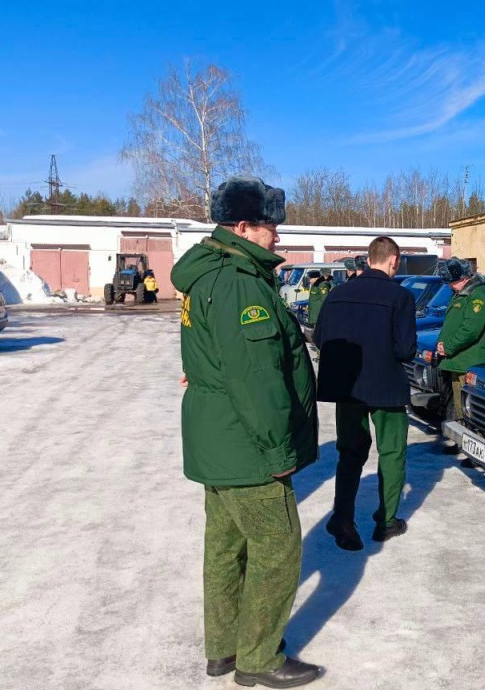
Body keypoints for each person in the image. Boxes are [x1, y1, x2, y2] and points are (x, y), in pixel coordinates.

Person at [171, 174, 324, 688]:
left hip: (217, 440)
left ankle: (223, 649)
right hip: (246, 445)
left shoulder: (206, 274)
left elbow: (207, 353)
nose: (277, 237)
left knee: (225, 547)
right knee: (278, 548)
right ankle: (258, 657)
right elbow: (255, 379)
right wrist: (279, 450)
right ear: (242, 226)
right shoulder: (239, 283)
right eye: (270, 227)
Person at [314, 236, 417, 551]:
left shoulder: (336, 294)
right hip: (387, 388)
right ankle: (386, 522)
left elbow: (320, 339)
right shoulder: (400, 297)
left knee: (350, 454)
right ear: (393, 261)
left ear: (368, 259)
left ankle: (343, 518)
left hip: (349, 389)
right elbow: (405, 350)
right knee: (392, 453)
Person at [435, 257, 485, 423]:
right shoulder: (460, 294)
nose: (449, 285)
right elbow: (451, 323)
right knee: (459, 403)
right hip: (458, 360)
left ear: (463, 278)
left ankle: (471, 436)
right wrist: (441, 343)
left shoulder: (479, 296)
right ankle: (462, 435)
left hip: (470, 361)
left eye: (452, 282)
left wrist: (448, 346)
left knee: (469, 406)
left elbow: (471, 330)